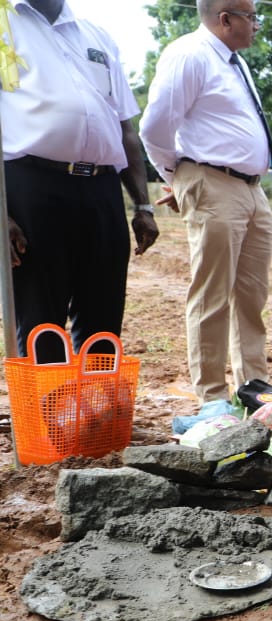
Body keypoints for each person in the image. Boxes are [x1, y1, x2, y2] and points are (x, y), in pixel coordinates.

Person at [3, 0, 158, 362]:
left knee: (103, 311)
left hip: (102, 189)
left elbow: (124, 127)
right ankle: (48, 399)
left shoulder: (96, 36)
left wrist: (143, 205)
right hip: (32, 186)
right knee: (42, 317)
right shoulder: (3, 28)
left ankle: (97, 397)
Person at [140, 0, 272, 405]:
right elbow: (154, 128)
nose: (257, 25)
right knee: (212, 294)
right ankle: (213, 398)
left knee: (251, 296)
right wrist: (179, 179)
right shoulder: (190, 54)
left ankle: (254, 388)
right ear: (225, 19)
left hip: (251, 189)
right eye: (252, 17)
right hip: (212, 182)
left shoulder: (234, 62)